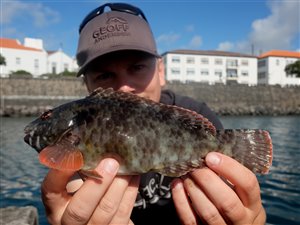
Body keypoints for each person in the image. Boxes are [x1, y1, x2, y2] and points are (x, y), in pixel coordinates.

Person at [41, 3, 266, 225]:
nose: (125, 87)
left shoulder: (196, 113)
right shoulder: (74, 128)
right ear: (87, 84)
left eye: (137, 67)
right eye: (104, 76)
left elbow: (234, 194)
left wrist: (248, 217)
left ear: (161, 71)